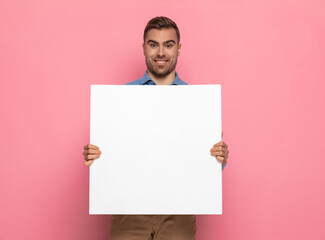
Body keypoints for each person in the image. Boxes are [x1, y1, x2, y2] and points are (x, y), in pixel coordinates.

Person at [83, 16, 229, 240]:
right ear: (144, 48)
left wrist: (218, 158)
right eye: (153, 44)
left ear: (178, 49)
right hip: (128, 212)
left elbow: (205, 168)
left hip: (178, 213)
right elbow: (109, 155)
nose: (161, 52)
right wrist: (95, 155)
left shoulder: (198, 102)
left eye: (168, 45)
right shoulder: (119, 98)